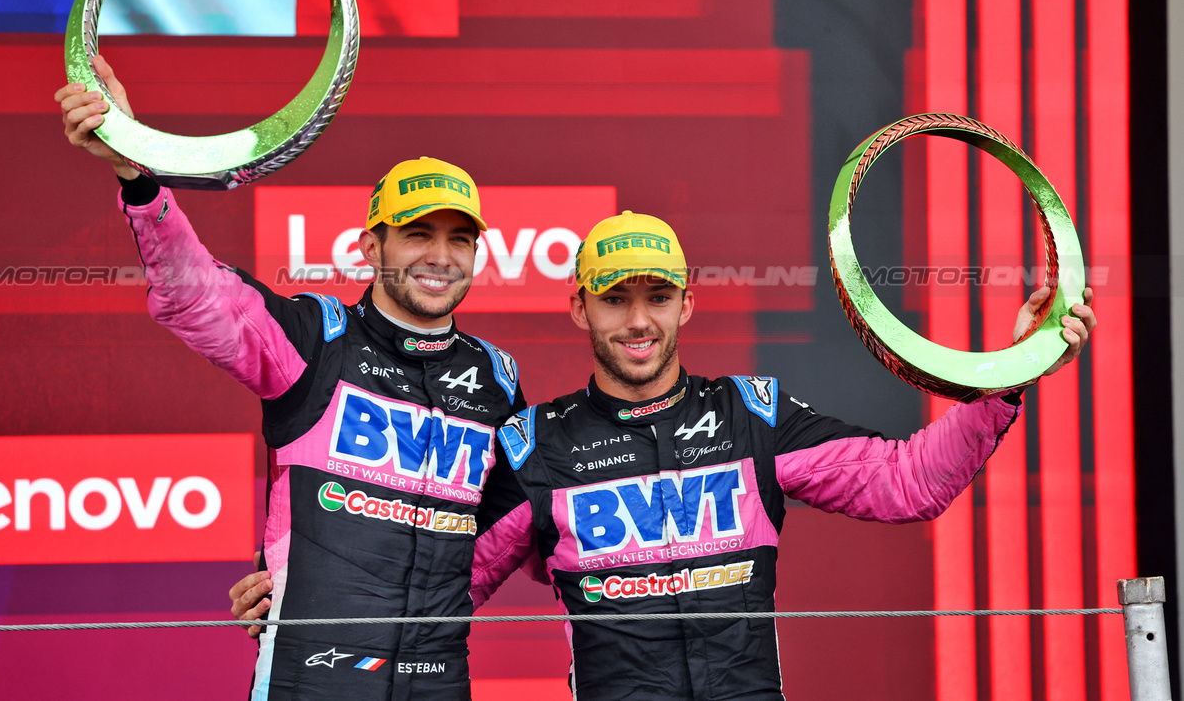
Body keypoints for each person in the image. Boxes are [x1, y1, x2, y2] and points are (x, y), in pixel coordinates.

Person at [461, 211, 1090, 700]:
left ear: (686, 303)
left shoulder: (751, 414)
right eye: (614, 298)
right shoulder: (537, 443)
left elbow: (908, 483)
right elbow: (437, 593)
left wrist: (1011, 373)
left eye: (657, 297)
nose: (637, 321)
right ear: (580, 308)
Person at [56, 59, 528, 701]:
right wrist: (136, 173)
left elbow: (516, 517)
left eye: (459, 238)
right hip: (312, 674)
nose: (440, 256)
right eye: (417, 234)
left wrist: (446, 593)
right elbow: (202, 297)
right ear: (370, 246)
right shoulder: (316, 338)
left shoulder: (495, 378)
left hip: (435, 677)